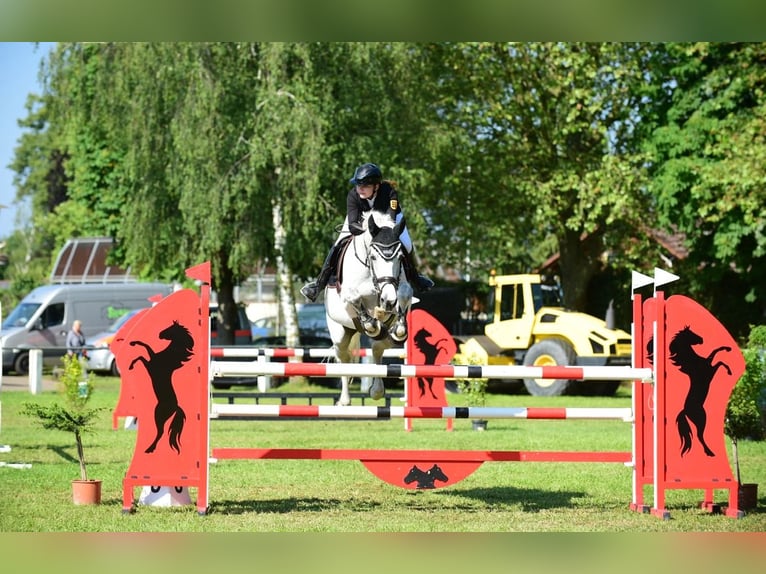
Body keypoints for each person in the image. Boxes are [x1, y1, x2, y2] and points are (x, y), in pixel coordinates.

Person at [300, 162, 433, 302]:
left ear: (376, 186)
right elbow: (352, 224)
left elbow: (390, 220)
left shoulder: (389, 192)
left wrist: (380, 231)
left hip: (389, 220)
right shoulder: (353, 195)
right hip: (361, 220)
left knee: (407, 244)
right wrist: (364, 231)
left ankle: (416, 278)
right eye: (358, 185)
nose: (360, 189)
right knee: (338, 244)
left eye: (365, 186)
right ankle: (318, 285)